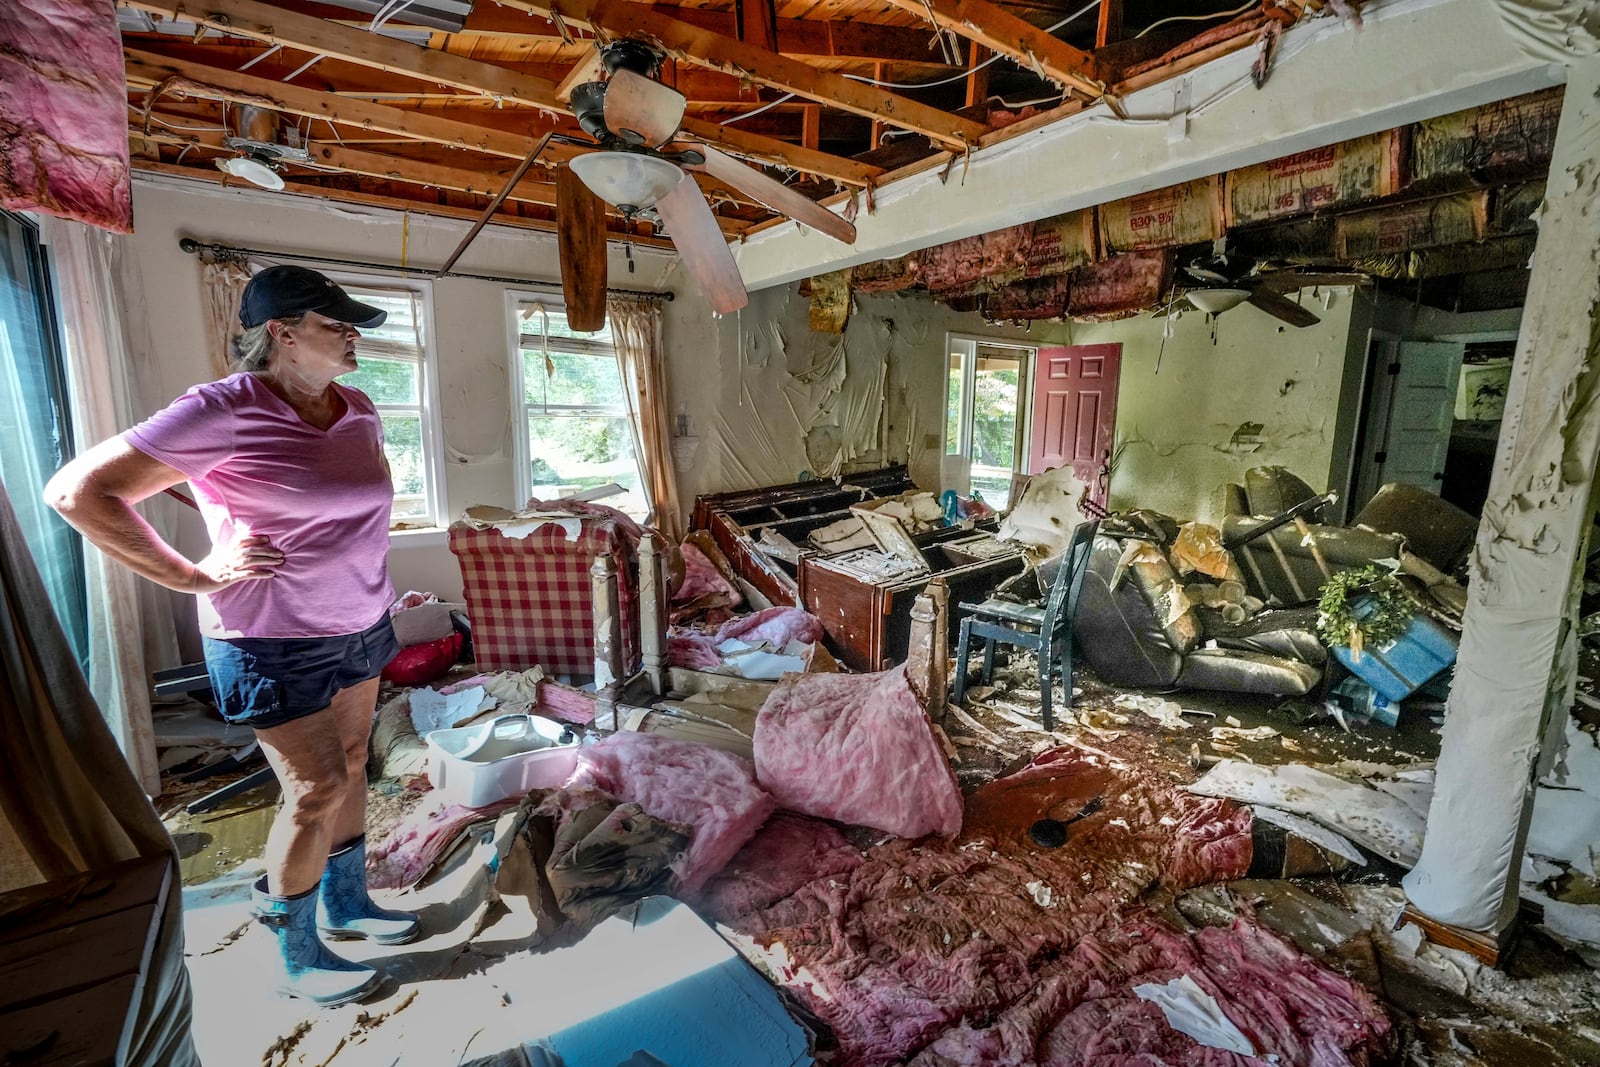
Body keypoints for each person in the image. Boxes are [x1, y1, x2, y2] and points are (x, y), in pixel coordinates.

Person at [46, 264, 418, 1008]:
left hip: (361, 619)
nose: (353, 334)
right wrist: (192, 573)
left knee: (352, 765)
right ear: (281, 332)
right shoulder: (223, 407)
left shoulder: (361, 409)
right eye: (334, 321)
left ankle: (348, 903)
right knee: (314, 789)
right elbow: (78, 492)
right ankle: (296, 945)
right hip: (269, 635)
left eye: (354, 323)